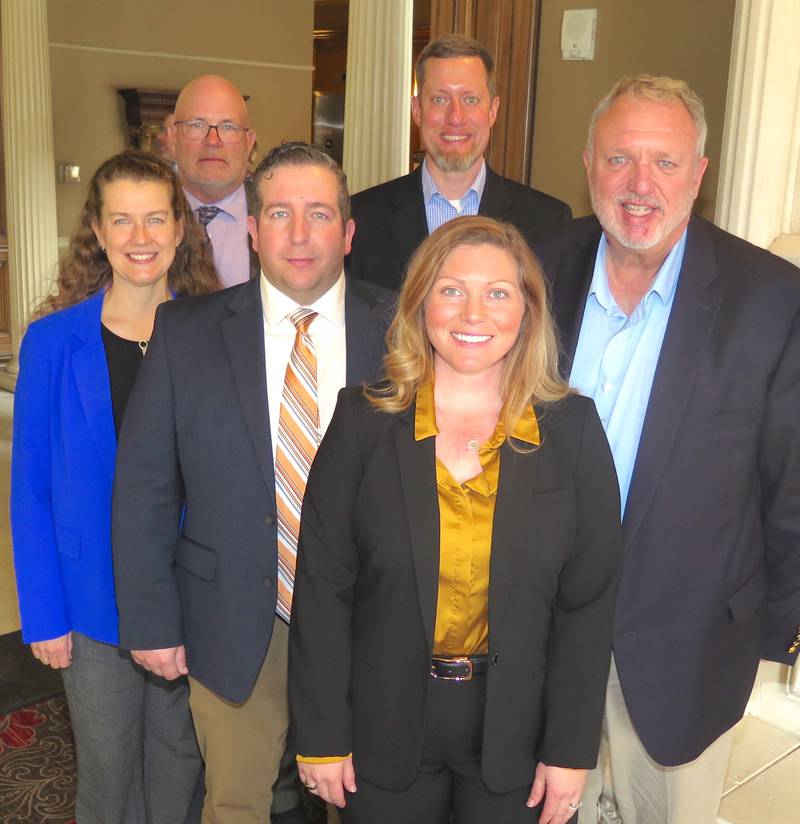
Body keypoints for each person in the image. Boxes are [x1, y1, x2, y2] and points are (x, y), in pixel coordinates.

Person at [530, 75, 800, 824]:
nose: (640, 185)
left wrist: (776, 630)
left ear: (700, 174)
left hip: (688, 651)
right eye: (620, 159)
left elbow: (791, 484)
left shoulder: (772, 299)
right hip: (539, 643)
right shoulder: (531, 269)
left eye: (666, 162)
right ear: (588, 164)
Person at [289, 216, 622, 824]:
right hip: (380, 729)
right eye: (451, 290)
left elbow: (587, 605)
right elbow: (323, 588)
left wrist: (570, 750)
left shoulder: (573, 431)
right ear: (421, 303)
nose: (473, 313)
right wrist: (321, 734)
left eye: (497, 292)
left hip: (520, 736)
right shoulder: (361, 421)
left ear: (527, 310)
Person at [112, 142, 394, 824]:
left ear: (348, 233)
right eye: (279, 213)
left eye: (319, 214)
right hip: (233, 620)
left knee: (373, 805)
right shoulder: (185, 332)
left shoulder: (403, 330)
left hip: (371, 624)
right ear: (251, 229)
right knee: (235, 805)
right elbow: (145, 488)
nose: (299, 234)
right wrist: (151, 620)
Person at [10, 149, 218, 824]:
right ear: (97, 232)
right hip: (89, 598)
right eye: (122, 220)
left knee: (182, 766)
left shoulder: (215, 335)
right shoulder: (52, 343)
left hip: (187, 596)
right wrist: (44, 613)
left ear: (179, 227)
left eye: (155, 218)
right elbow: (31, 489)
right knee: (107, 773)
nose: (140, 237)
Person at [347, 34, 571, 290]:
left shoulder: (548, 222)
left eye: (470, 99)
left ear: (493, 111)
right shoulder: (362, 218)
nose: (455, 117)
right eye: (440, 99)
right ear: (417, 109)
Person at [171, 74, 260, 287]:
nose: (212, 141)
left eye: (228, 127)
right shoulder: (144, 217)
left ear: (249, 142)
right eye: (196, 125)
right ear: (173, 137)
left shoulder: (276, 216)